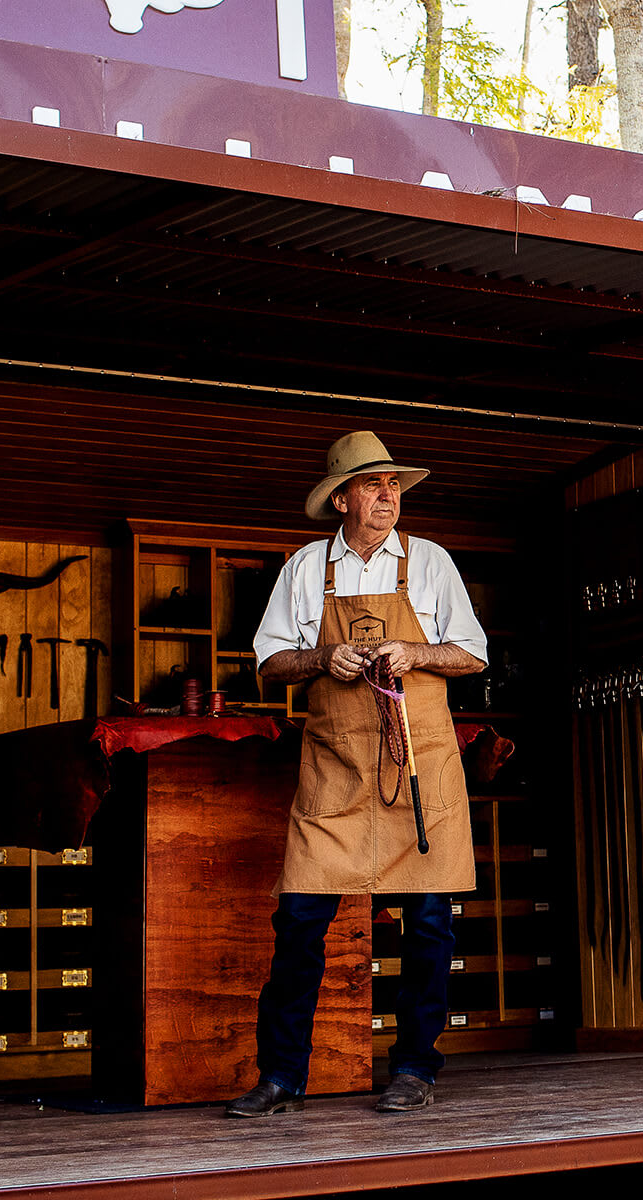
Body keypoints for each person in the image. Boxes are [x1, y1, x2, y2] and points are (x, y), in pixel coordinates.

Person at [227, 430, 486, 1117]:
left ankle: (414, 1069)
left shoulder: (430, 562)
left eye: (394, 485)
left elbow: (473, 655)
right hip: (336, 775)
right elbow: (270, 662)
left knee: (429, 925)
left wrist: (416, 650)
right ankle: (282, 1076)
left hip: (417, 771)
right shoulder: (305, 568)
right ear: (341, 498)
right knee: (300, 924)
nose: (387, 497)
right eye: (373, 485)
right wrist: (321, 659)